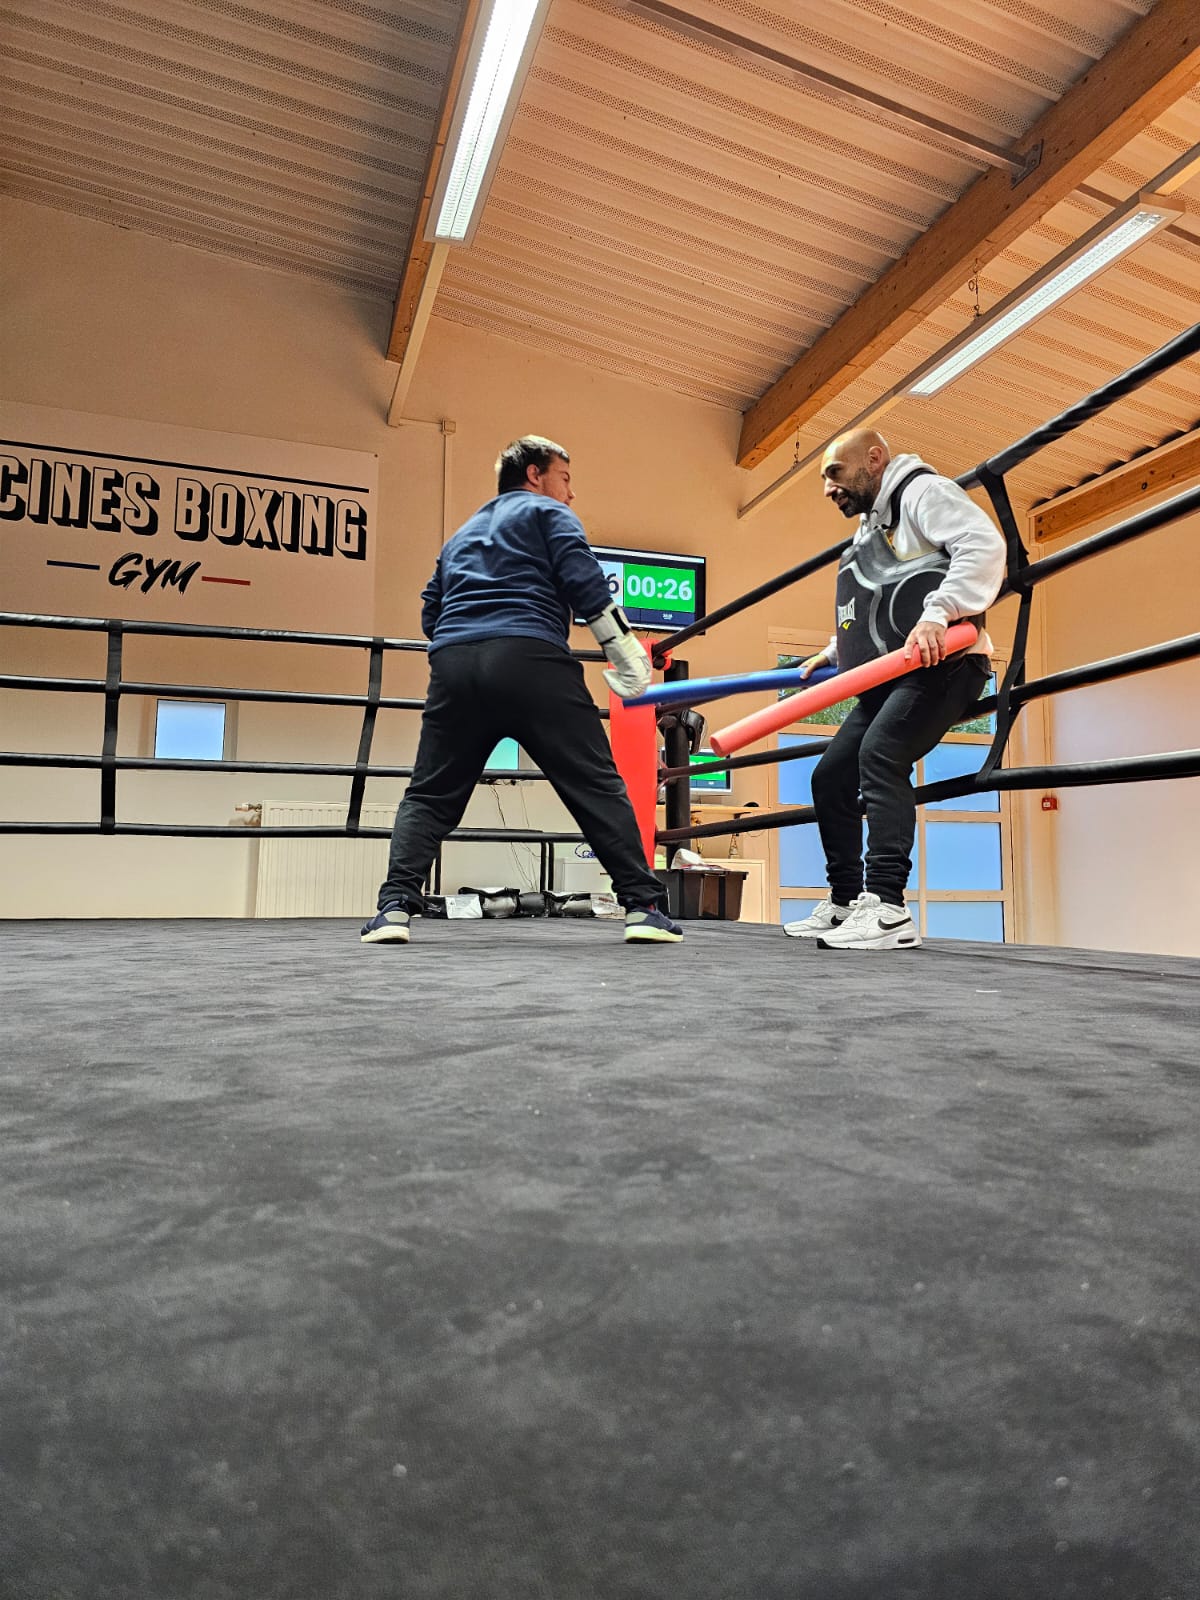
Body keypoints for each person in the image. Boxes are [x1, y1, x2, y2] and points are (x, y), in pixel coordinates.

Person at [360, 435, 682, 946]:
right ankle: (642, 908)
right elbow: (584, 581)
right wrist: (624, 651)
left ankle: (393, 908)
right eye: (566, 478)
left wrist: (469, 640)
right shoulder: (547, 515)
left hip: (455, 665)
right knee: (594, 783)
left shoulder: (460, 536)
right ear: (535, 474)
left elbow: (429, 614)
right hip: (530, 660)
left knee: (431, 792)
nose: (570, 494)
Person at [784, 428, 1005, 951]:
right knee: (829, 778)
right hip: (893, 674)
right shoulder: (871, 526)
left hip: (948, 664)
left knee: (880, 756)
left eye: (835, 473)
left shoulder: (923, 493)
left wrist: (941, 614)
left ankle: (887, 909)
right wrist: (835, 652)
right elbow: (880, 598)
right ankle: (845, 905)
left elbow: (983, 544)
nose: (827, 488)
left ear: (874, 460)